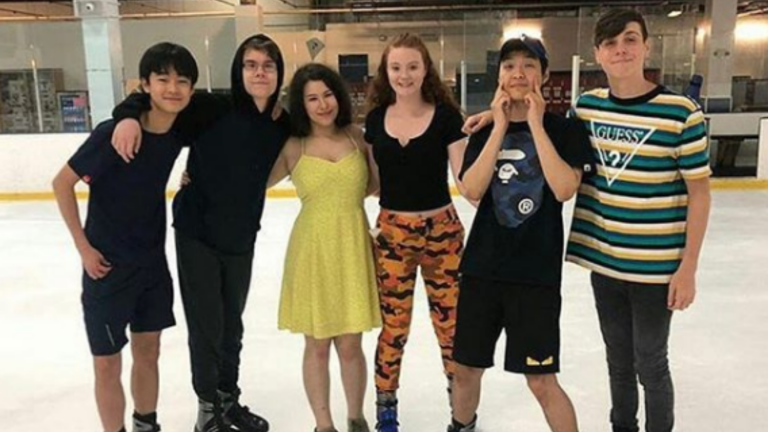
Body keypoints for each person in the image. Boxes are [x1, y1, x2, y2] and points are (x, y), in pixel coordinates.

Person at [465, 9, 712, 432]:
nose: (621, 51)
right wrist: (493, 117)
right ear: (598, 53)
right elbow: (530, 120)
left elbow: (700, 194)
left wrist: (688, 267)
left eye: (630, 40)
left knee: (651, 362)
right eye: (611, 44)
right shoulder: (588, 107)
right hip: (605, 262)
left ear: (646, 46)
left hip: (655, 266)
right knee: (618, 361)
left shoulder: (680, 111)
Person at [109, 34, 289, 432]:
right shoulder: (212, 108)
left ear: (279, 73)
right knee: (207, 326)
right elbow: (156, 103)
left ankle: (228, 399)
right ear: (238, 70)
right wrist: (126, 116)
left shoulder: (281, 122)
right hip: (198, 234)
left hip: (241, 237)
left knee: (232, 326)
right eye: (251, 65)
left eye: (268, 66)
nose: (260, 73)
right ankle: (207, 412)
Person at [448, 35, 593, 432]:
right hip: (482, 270)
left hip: (535, 276)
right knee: (465, 370)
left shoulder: (565, 130)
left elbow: (564, 188)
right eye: (509, 65)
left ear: (543, 75)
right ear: (499, 75)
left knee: (541, 381)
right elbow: (473, 187)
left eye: (529, 65)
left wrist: (534, 125)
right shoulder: (483, 131)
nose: (518, 73)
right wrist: (497, 125)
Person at [52, 42, 197, 432]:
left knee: (149, 352)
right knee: (107, 362)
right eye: (163, 79)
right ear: (145, 84)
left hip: (152, 267)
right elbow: (62, 183)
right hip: (106, 268)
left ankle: (146, 425)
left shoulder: (179, 130)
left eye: (182, 81)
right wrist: (84, 248)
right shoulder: (112, 135)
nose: (172, 88)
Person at [363, 33, 468, 432]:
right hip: (393, 235)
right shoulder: (376, 120)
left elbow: (466, 180)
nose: (404, 75)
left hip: (443, 234)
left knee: (451, 327)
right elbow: (372, 181)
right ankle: (386, 407)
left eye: (412, 66)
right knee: (394, 327)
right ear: (385, 72)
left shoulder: (446, 118)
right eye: (396, 67)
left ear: (426, 70)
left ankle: (461, 407)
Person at [268, 63, 381, 432]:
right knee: (316, 345)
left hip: (352, 246)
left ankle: (356, 417)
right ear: (301, 105)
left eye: (328, 94)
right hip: (312, 250)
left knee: (350, 344)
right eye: (312, 98)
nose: (322, 104)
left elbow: (378, 185)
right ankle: (323, 424)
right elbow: (250, 182)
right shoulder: (293, 146)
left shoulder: (357, 137)